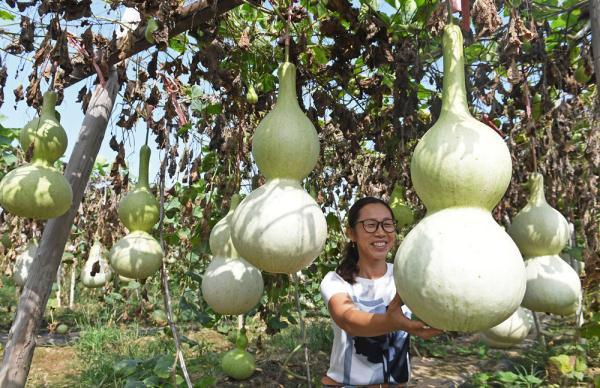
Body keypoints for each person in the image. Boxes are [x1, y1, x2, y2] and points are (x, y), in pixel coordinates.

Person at [320, 197, 442, 387]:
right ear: (351, 233)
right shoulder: (335, 281)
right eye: (370, 225)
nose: (380, 232)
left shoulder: (406, 275)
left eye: (387, 224)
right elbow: (347, 320)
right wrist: (393, 322)